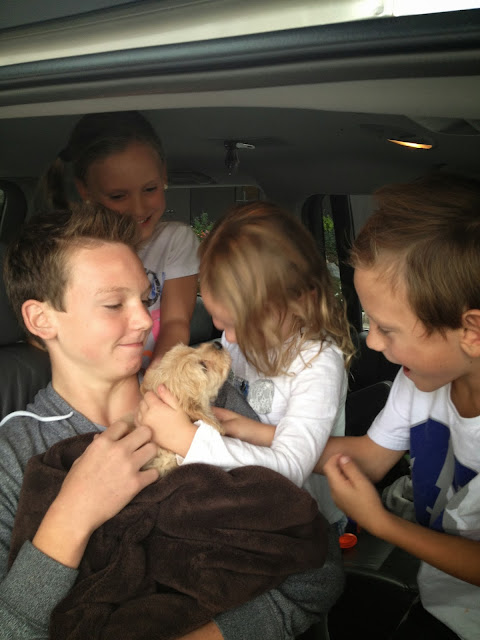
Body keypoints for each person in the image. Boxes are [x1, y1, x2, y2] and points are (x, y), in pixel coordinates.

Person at [0, 203, 344, 640]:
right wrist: (73, 514)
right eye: (113, 304)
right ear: (41, 319)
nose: (145, 320)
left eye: (146, 298)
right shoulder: (16, 452)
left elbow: (317, 570)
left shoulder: (206, 398)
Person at [317, 173, 480, 639]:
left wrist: (379, 522)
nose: (372, 342)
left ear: (472, 332)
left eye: (387, 329)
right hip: (443, 605)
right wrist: (244, 436)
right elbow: (369, 458)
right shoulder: (419, 381)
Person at [134, 201, 356, 533]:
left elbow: (291, 469)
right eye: (220, 322)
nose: (229, 338)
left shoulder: (317, 364)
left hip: (303, 522)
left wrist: (188, 440)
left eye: (240, 324)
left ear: (300, 300)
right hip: (240, 504)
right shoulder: (236, 340)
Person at [36, 110, 199, 370]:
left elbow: (175, 323)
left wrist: (156, 380)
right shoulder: (72, 250)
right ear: (85, 190)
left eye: (150, 189)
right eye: (118, 196)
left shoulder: (175, 240)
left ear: (164, 175)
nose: (138, 208)